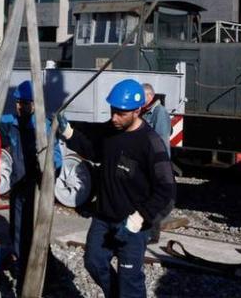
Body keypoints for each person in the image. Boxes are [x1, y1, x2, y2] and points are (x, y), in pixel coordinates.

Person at [58, 79, 175, 298]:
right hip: (104, 218)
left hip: (133, 225)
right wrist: (69, 133)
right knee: (94, 262)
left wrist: (140, 218)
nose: (114, 117)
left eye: (121, 113)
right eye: (113, 110)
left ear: (137, 110)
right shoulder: (112, 130)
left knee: (129, 280)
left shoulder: (150, 143)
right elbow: (93, 150)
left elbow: (166, 189)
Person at [0, 80, 62, 294]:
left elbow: (56, 159)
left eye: (24, 103)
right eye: (17, 102)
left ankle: (44, 273)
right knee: (17, 230)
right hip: (18, 186)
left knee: (35, 232)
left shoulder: (43, 126)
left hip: (36, 190)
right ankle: (22, 269)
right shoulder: (12, 122)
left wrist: (48, 171)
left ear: (35, 104)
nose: (19, 107)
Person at [140, 83, 173, 244]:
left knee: (154, 198)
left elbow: (162, 141)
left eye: (142, 96)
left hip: (155, 164)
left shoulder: (159, 113)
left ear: (150, 96)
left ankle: (152, 235)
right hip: (148, 162)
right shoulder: (146, 112)